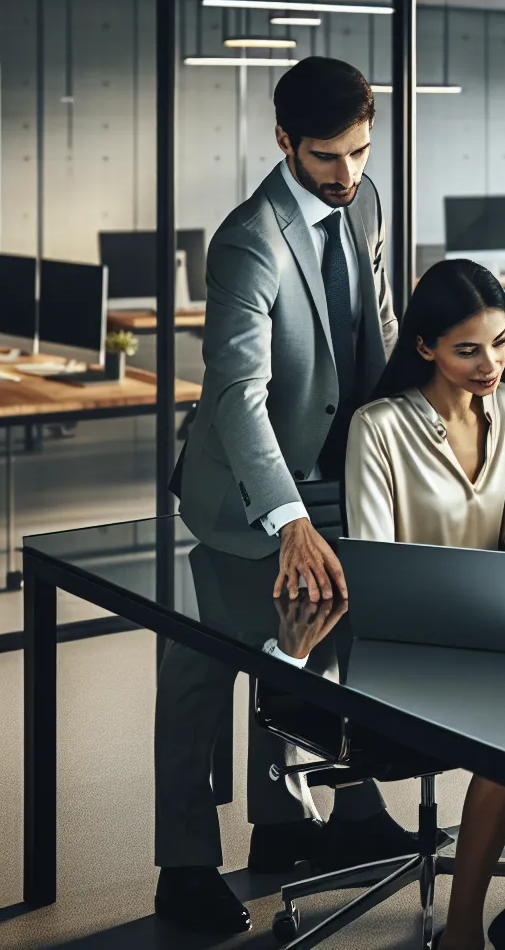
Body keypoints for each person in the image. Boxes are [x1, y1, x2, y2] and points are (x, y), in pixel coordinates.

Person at [156, 56, 409, 934]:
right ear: (284, 142)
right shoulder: (249, 239)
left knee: (320, 649)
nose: (349, 175)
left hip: (337, 471)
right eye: (329, 158)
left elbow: (375, 326)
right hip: (247, 488)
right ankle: (182, 863)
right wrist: (289, 517)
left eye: (361, 153)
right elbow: (236, 396)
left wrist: (406, 438)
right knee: (208, 662)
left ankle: (305, 821)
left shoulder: (366, 201)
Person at [342, 259, 505, 950]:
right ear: (424, 346)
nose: (491, 363)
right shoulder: (379, 429)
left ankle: (496, 925)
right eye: (467, 350)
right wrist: (501, 581)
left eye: (500, 341)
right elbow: (379, 578)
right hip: (411, 649)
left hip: (502, 632)